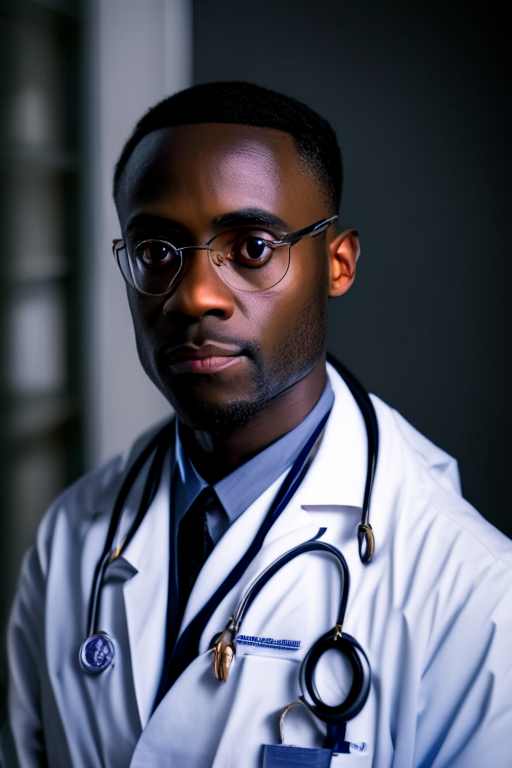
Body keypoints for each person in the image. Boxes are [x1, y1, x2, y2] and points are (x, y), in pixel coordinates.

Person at [1, 81, 511, 768]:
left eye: (251, 248)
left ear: (338, 263)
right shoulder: (71, 537)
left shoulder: (471, 592)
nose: (196, 296)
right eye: (156, 252)